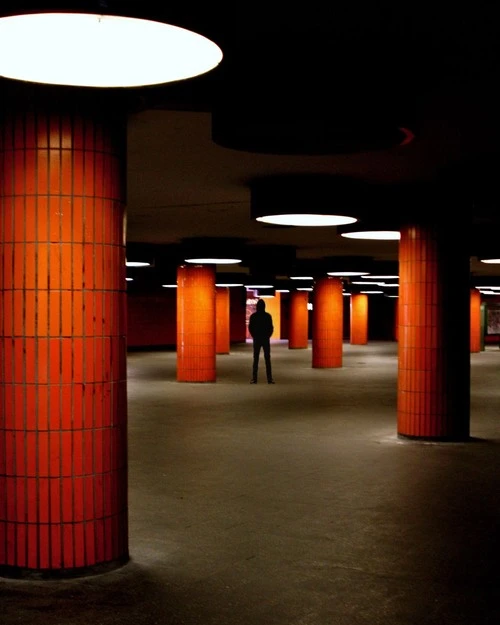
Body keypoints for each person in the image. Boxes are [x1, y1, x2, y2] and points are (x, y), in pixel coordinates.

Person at [248, 298, 275, 384]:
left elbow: (250, 328)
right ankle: (269, 379)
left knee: (255, 359)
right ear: (264, 307)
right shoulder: (268, 316)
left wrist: (254, 336)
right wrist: (268, 336)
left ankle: (254, 379)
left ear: (257, 307)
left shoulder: (253, 316)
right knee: (267, 359)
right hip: (265, 339)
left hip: (257, 339)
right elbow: (271, 328)